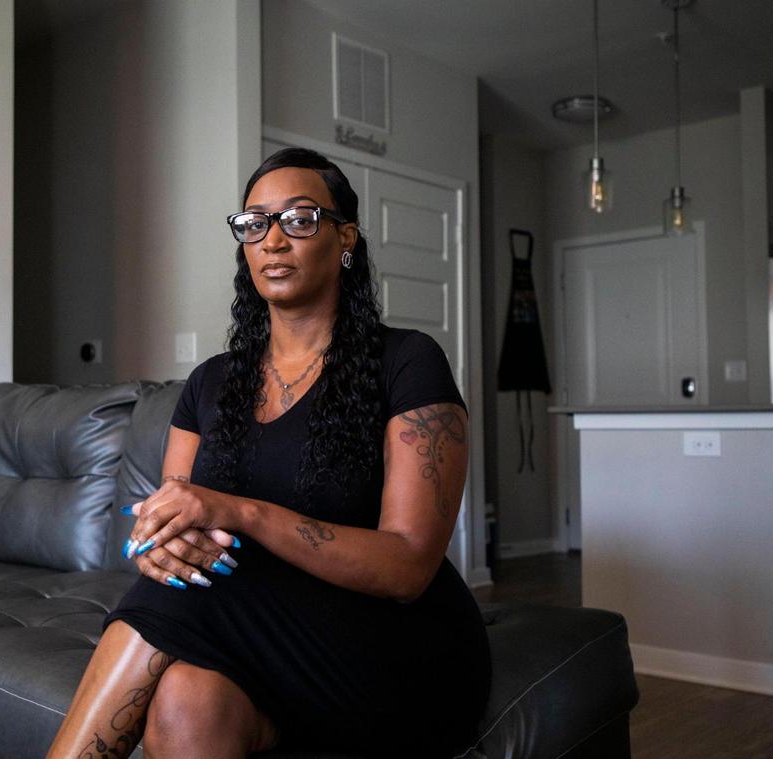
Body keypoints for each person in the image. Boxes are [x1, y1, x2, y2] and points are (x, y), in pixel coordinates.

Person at [46, 147, 490, 759]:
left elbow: (408, 568)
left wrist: (242, 513)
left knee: (184, 593)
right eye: (254, 224)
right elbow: (174, 529)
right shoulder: (209, 383)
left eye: (300, 219)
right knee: (185, 699)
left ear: (345, 239)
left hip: (396, 653)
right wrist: (160, 549)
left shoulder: (408, 362)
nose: (273, 240)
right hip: (257, 637)